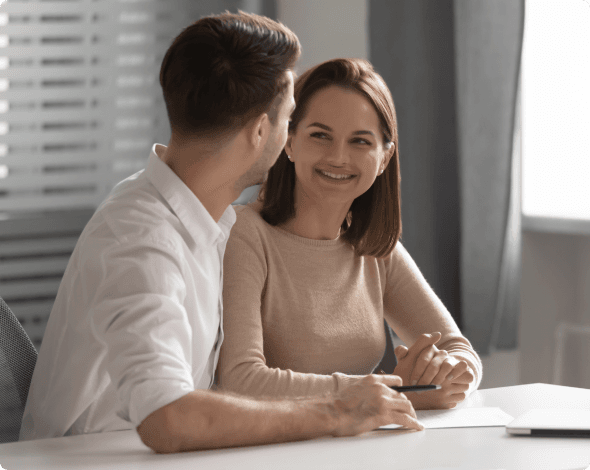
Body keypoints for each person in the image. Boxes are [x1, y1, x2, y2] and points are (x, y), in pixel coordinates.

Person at [19, 13, 423, 453]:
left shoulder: (201, 220)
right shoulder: (140, 240)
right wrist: (339, 411)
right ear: (259, 132)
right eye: (290, 119)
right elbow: (167, 419)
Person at [218, 58, 483, 411]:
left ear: (384, 157)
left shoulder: (373, 246)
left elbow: (461, 351)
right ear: (290, 142)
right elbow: (242, 380)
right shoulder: (244, 234)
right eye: (320, 136)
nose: (338, 157)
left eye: (360, 141)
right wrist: (390, 391)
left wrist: (446, 374)